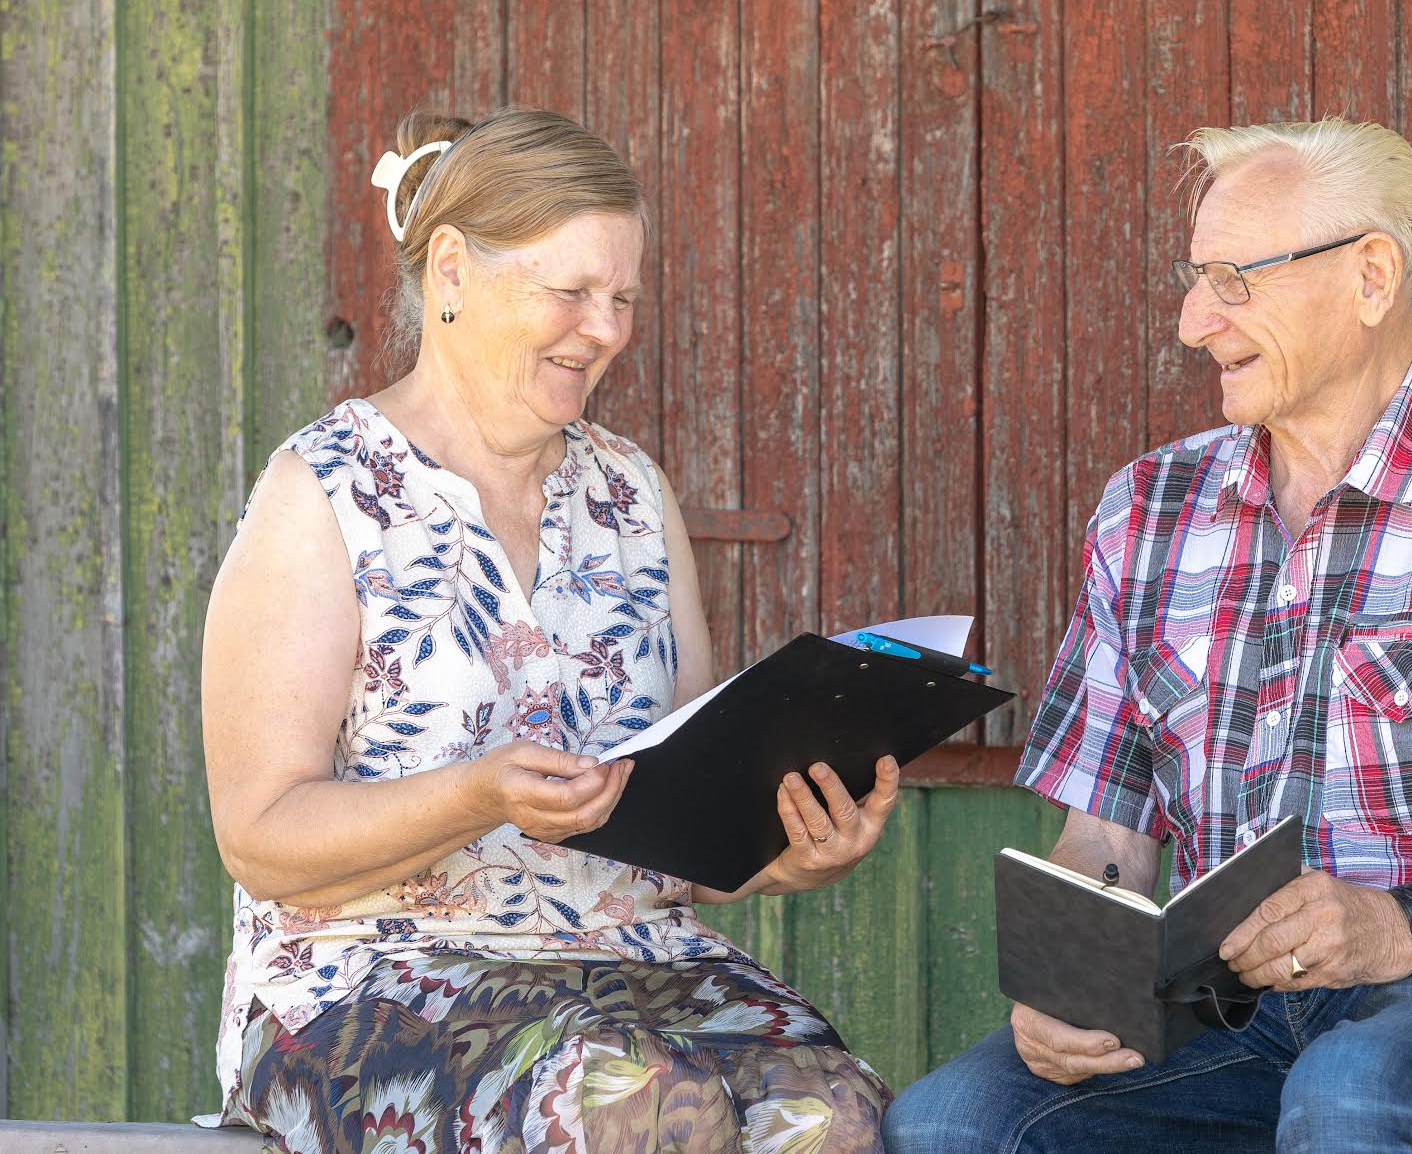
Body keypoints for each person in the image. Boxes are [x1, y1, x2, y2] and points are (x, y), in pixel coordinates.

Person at [884, 117, 1412, 1153]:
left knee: (1352, 1092)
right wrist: (1070, 977)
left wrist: (1402, 925)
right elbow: (1104, 838)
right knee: (952, 1122)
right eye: (1194, 277)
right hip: (1229, 1001)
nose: (1192, 320)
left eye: (1232, 279)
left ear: (1371, 277)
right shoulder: (1150, 508)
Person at [199, 106, 894, 1152]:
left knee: (831, 1110)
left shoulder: (631, 495)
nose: (606, 328)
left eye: (622, 298)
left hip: (635, 968)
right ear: (451, 272)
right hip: (368, 979)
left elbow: (671, 832)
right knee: (635, 1100)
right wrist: (476, 794)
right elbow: (259, 835)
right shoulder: (326, 492)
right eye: (570, 293)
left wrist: (792, 853)